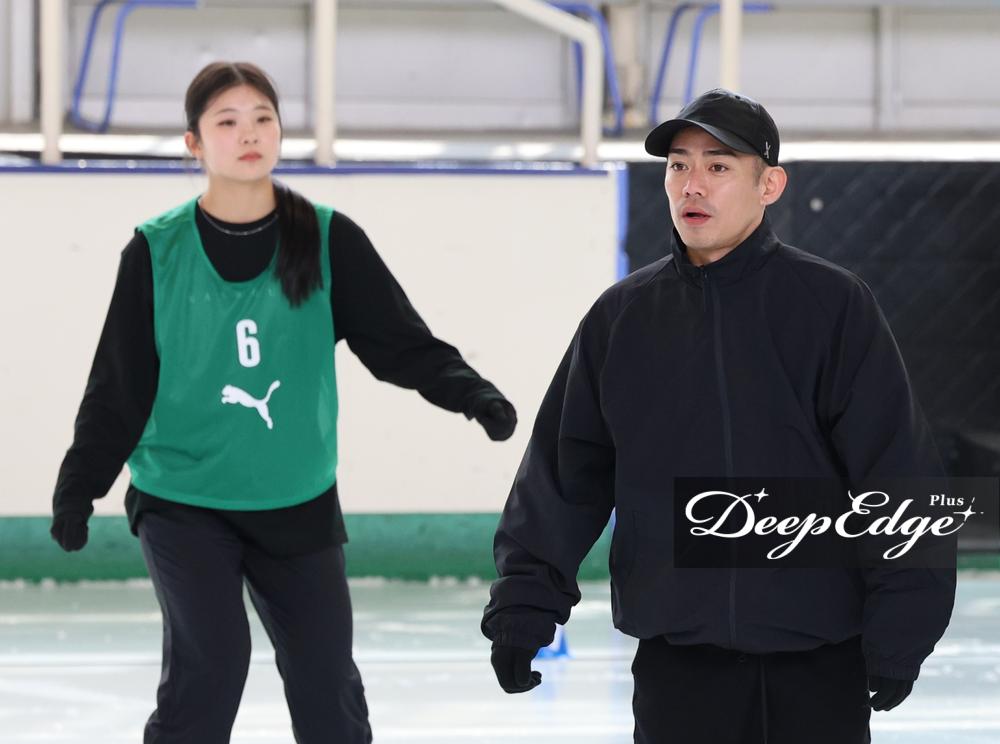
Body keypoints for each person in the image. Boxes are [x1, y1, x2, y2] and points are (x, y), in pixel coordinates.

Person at [50, 61, 517, 744]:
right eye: (227, 121)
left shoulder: (327, 238)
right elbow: (119, 386)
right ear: (193, 142)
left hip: (296, 498)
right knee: (211, 666)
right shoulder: (156, 251)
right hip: (183, 498)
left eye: (262, 118)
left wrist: (470, 392)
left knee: (327, 684)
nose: (249, 134)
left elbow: (397, 342)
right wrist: (78, 486)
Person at [481, 89, 955, 743]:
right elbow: (564, 475)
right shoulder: (622, 319)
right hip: (679, 666)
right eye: (678, 165)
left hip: (819, 661)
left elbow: (897, 469)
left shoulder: (832, 306)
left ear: (770, 185)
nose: (692, 184)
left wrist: (902, 627)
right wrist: (524, 604)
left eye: (718, 166)